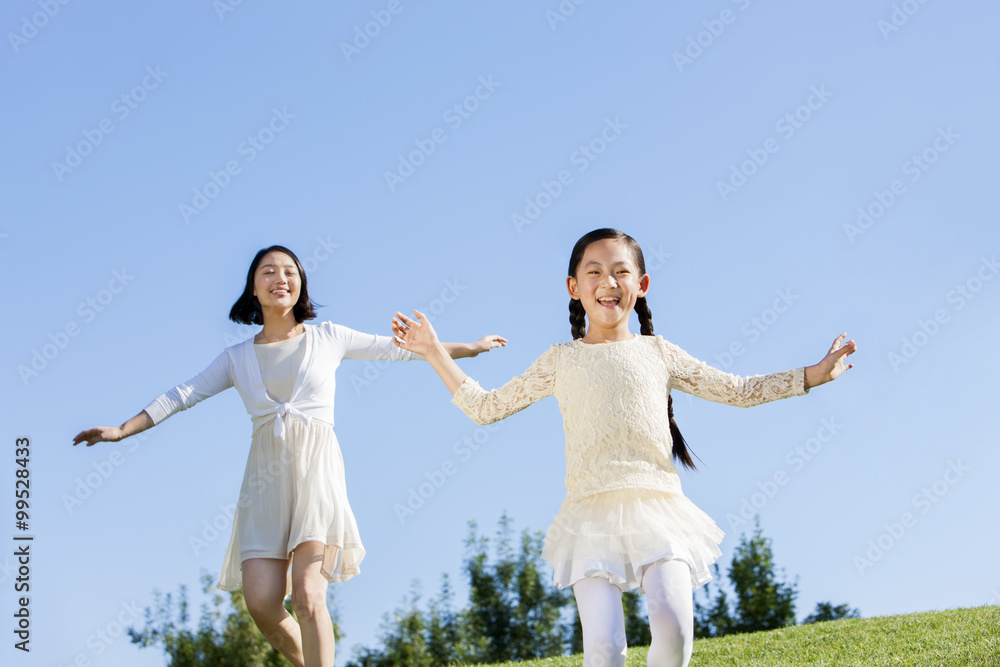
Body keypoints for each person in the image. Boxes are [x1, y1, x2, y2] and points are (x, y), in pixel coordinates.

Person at [390, 228, 855, 667]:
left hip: (658, 506)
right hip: (588, 514)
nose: (607, 282)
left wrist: (812, 375)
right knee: (606, 647)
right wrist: (433, 350)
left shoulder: (659, 353)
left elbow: (738, 390)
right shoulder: (560, 360)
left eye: (620, 271)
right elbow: (485, 407)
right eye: (593, 271)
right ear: (573, 286)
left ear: (642, 283)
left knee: (674, 631)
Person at [72, 245, 505, 667]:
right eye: (269, 272)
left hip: (316, 473)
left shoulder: (329, 337)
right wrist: (122, 430)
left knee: (307, 593)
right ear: (253, 290)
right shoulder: (236, 358)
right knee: (261, 601)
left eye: (290, 272)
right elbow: (183, 394)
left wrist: (470, 346)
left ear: (301, 287)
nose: (281, 278)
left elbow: (401, 348)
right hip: (263, 483)